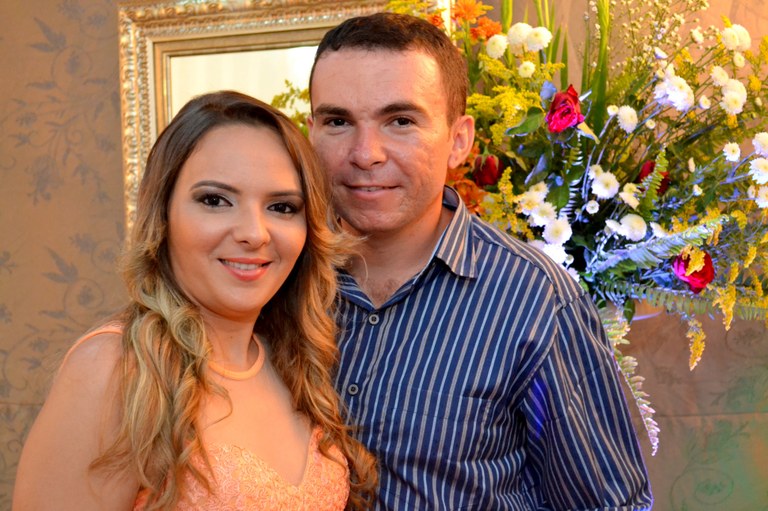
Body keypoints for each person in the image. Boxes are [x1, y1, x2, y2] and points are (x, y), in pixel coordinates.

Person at [307, 12, 653, 510]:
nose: (366, 154)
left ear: (459, 140)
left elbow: (607, 502)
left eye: (400, 121)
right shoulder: (276, 281)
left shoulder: (535, 300)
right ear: (310, 132)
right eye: (338, 122)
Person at [13, 90, 377, 510]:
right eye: (215, 201)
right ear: (163, 214)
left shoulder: (293, 364)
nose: (254, 233)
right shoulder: (117, 369)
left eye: (281, 207)